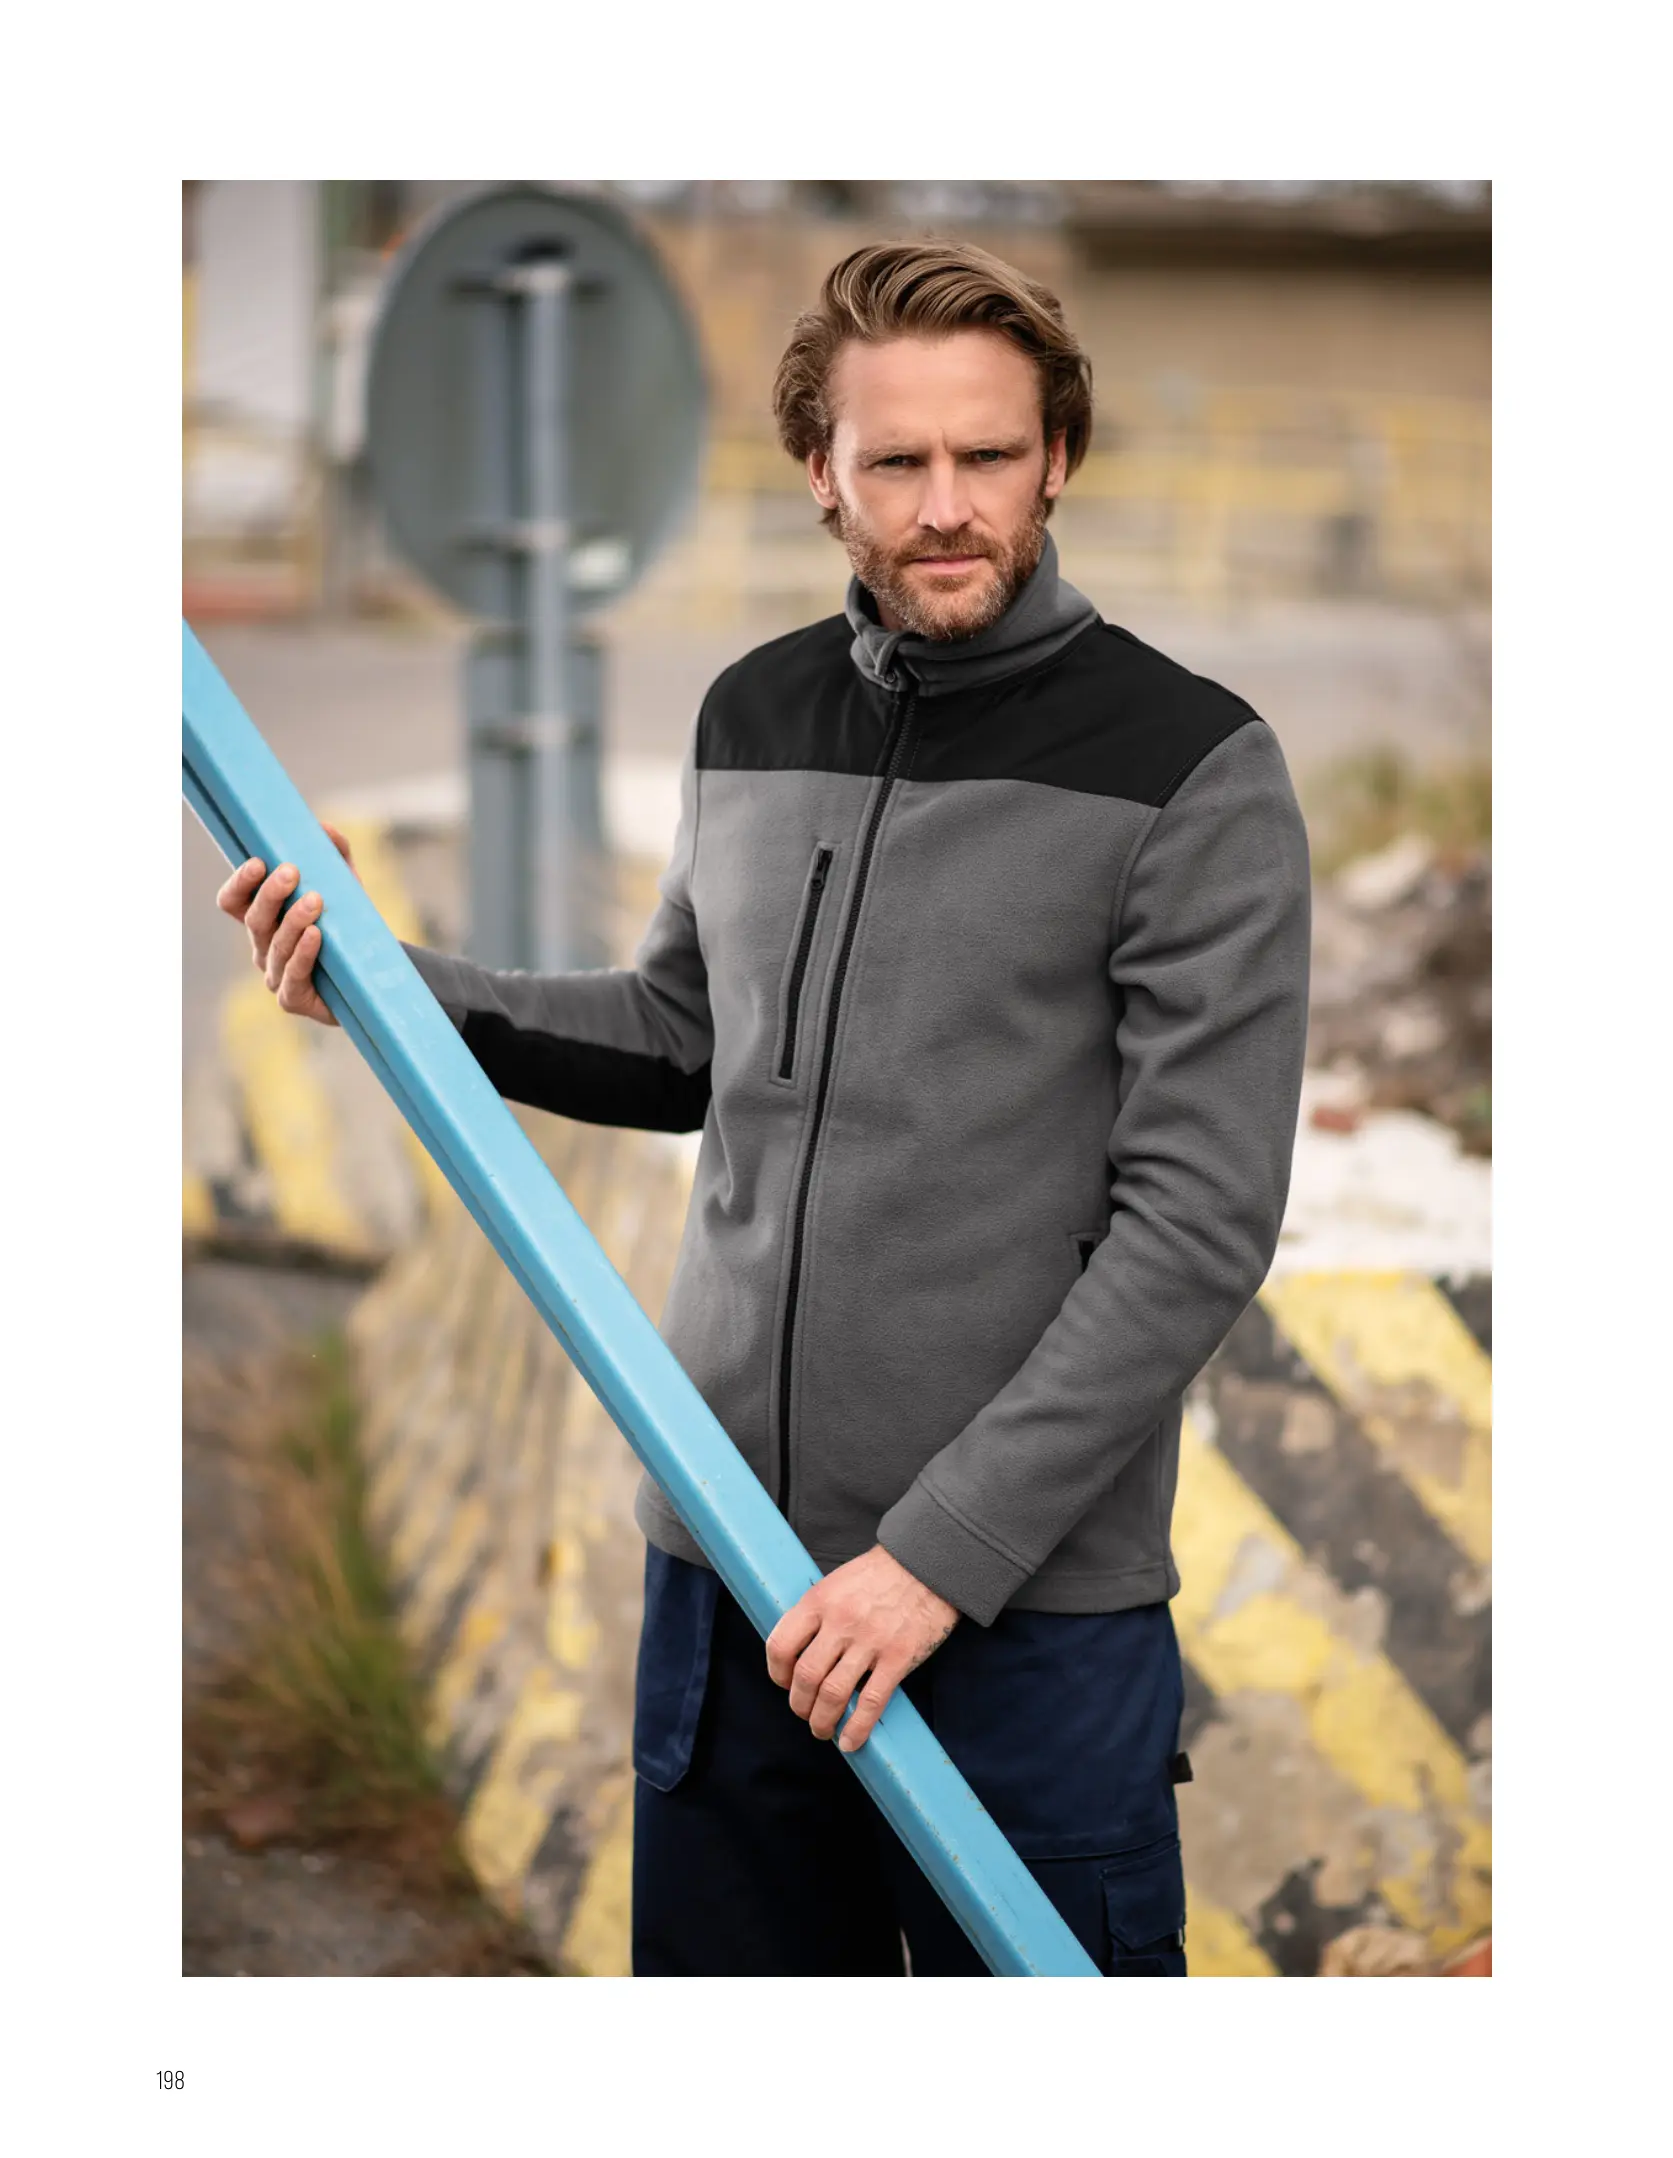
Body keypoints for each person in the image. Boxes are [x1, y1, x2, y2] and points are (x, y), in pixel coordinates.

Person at [216, 239, 1312, 1977]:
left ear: (1058, 458)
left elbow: (1196, 1227)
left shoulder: (1190, 767)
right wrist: (387, 984)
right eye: (897, 460)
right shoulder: (753, 713)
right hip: (729, 1580)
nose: (945, 507)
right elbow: (678, 1039)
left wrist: (934, 1561)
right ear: (820, 469)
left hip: (1020, 1619)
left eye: (988, 456)